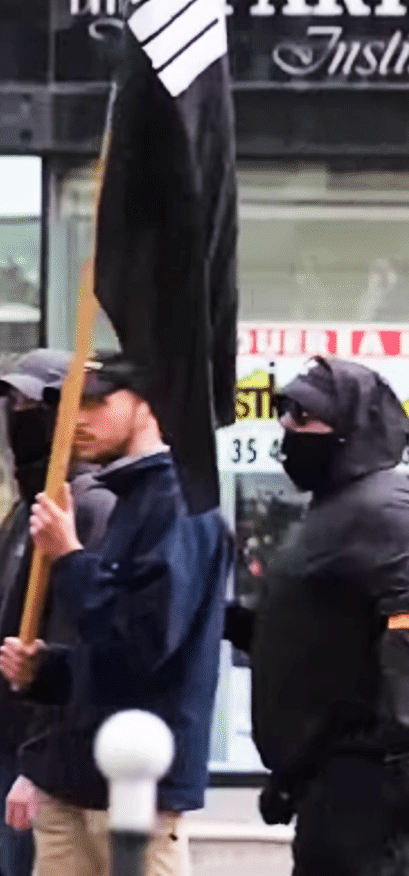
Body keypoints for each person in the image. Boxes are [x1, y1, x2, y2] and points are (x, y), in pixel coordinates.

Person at [0, 353, 232, 876]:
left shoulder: (181, 503)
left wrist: (69, 558)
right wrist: (47, 670)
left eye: (96, 402)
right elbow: (104, 648)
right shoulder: (127, 496)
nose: (77, 419)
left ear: (148, 405)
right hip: (73, 781)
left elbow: (146, 642)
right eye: (69, 405)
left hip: (137, 789)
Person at [224, 357, 409, 876]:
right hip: (322, 778)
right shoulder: (332, 508)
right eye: (284, 412)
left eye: (304, 415)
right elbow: (317, 635)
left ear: (351, 429)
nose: (287, 426)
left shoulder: (391, 509)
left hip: (364, 778)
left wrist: (408, 753)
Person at [0, 352, 114, 876]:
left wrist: (38, 763)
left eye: (33, 405)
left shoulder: (86, 508)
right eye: (14, 405)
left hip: (38, 758)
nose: (18, 417)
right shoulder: (28, 510)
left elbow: (77, 640)